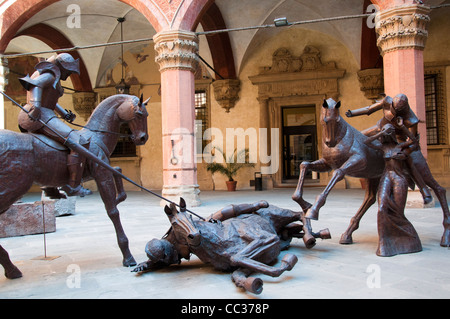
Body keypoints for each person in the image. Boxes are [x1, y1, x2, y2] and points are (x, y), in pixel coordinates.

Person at [18, 53, 92, 197]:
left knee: (53, 150)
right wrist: (37, 107)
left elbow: (50, 99)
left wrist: (64, 114)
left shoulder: (53, 78)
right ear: (61, 67)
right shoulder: (50, 75)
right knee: (79, 141)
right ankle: (73, 186)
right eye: (68, 71)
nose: (69, 74)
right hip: (42, 116)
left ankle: (49, 186)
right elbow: (36, 85)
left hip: (45, 113)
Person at [346, 93, 432, 204]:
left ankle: (423, 189)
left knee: (408, 160)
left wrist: (402, 130)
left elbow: (413, 141)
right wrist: (352, 113)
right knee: (358, 138)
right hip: (380, 129)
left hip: (398, 138)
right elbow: (369, 110)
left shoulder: (412, 120)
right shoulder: (387, 101)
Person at [364, 123, 422, 256]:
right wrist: (379, 132)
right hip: (386, 177)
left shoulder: (399, 147)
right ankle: (384, 242)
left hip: (399, 179)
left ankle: (408, 239)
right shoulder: (382, 147)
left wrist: (402, 127)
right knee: (381, 208)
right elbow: (367, 141)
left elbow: (413, 141)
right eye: (386, 132)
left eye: (388, 131)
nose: (387, 133)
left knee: (397, 212)